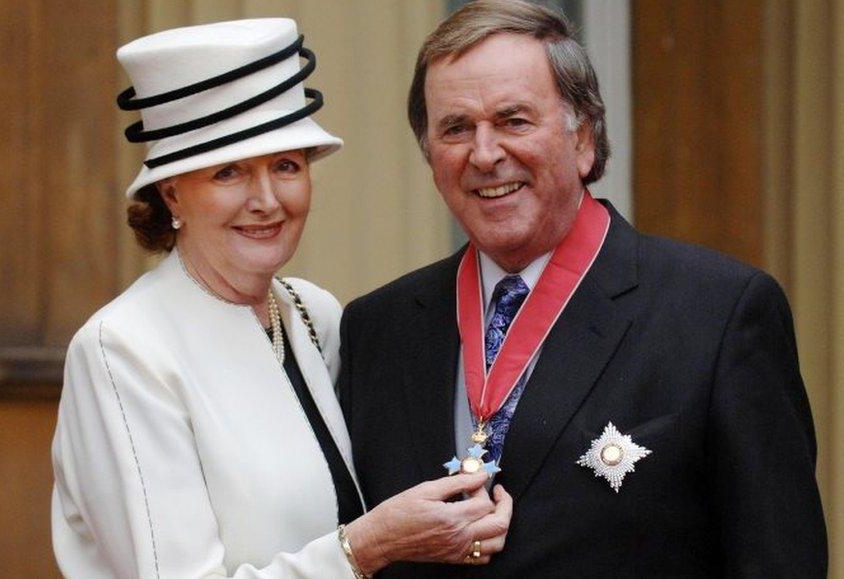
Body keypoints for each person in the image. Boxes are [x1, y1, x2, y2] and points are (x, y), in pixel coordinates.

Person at [337, 1, 827, 577]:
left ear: (584, 139)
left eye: (514, 120)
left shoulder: (718, 314)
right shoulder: (379, 328)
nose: (485, 153)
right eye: (456, 128)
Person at [50, 19, 512, 578]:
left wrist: (463, 519)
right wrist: (365, 548)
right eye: (229, 173)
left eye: (286, 167)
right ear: (171, 192)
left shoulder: (310, 312)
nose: (267, 200)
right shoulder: (123, 350)